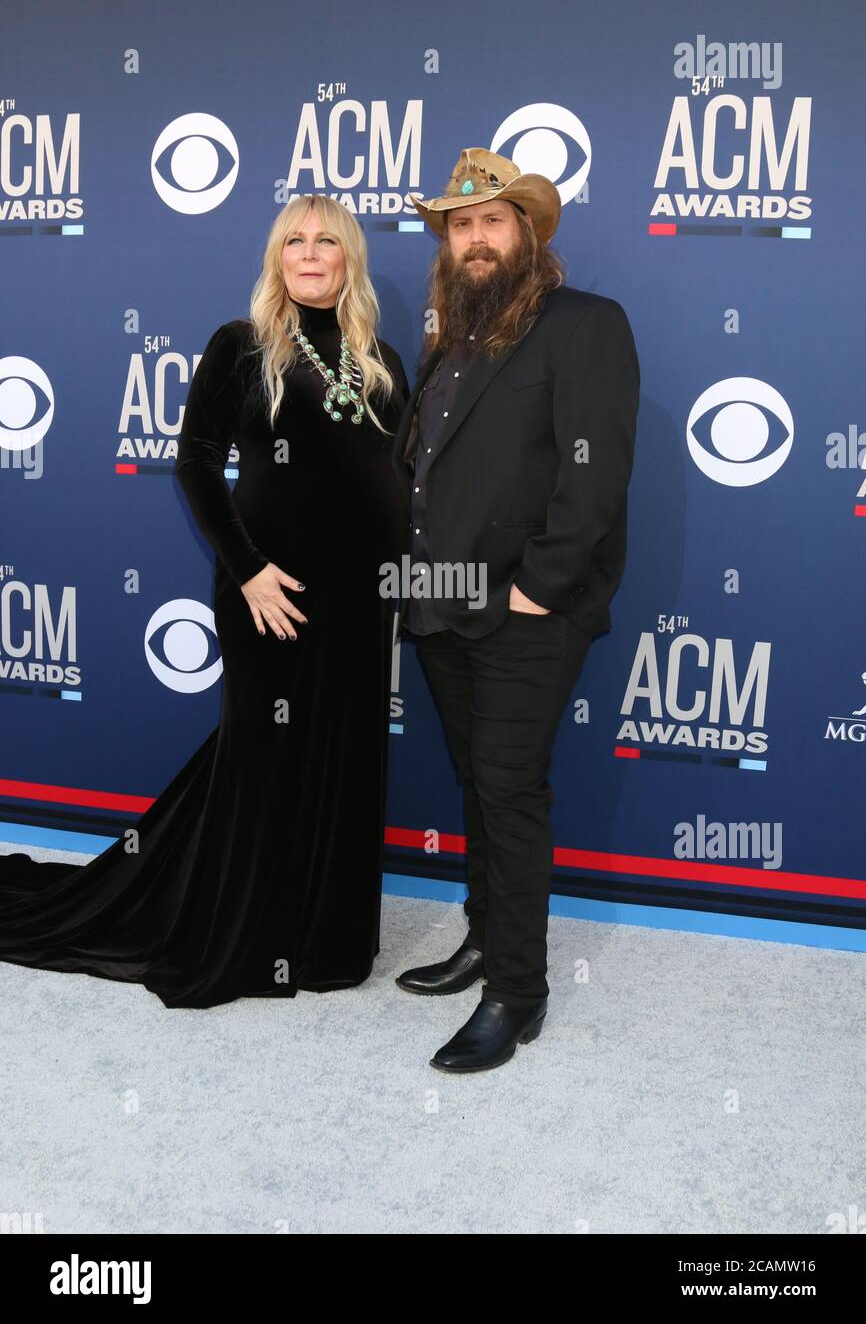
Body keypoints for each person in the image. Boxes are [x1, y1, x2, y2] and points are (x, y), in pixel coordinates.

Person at [0, 194, 410, 1008]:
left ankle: (326, 944)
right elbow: (195, 465)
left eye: (326, 239)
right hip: (270, 592)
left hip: (363, 601)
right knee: (263, 758)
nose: (309, 252)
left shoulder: (381, 362)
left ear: (349, 257)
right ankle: (250, 935)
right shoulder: (241, 346)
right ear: (277, 257)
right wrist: (250, 570)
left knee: (348, 761)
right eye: (294, 240)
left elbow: (389, 483)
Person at [391, 147, 641, 1073]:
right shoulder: (451, 338)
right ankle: (481, 939)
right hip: (441, 605)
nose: (477, 238)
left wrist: (537, 588)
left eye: (494, 221)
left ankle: (517, 992)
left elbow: (596, 479)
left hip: (529, 610)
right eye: (461, 226)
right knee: (477, 783)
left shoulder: (585, 325)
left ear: (528, 234)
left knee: (508, 788)